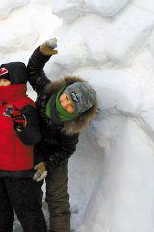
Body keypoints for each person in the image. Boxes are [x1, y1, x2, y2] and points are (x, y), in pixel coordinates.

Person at [27, 38, 98, 232]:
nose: (65, 104)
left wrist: (47, 164)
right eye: (67, 98)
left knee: (57, 200)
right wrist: (43, 52)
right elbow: (33, 70)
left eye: (71, 106)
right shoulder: (47, 92)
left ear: (78, 112)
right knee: (30, 195)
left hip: (55, 158)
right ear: (65, 91)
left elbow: (67, 149)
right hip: (33, 150)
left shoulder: (72, 126)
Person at [0, 62, 47, 232]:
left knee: (28, 212)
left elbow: (33, 138)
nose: (2, 85)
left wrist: (22, 124)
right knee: (0, 210)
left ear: (17, 81)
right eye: (0, 81)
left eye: (6, 81)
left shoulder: (26, 106)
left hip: (20, 173)